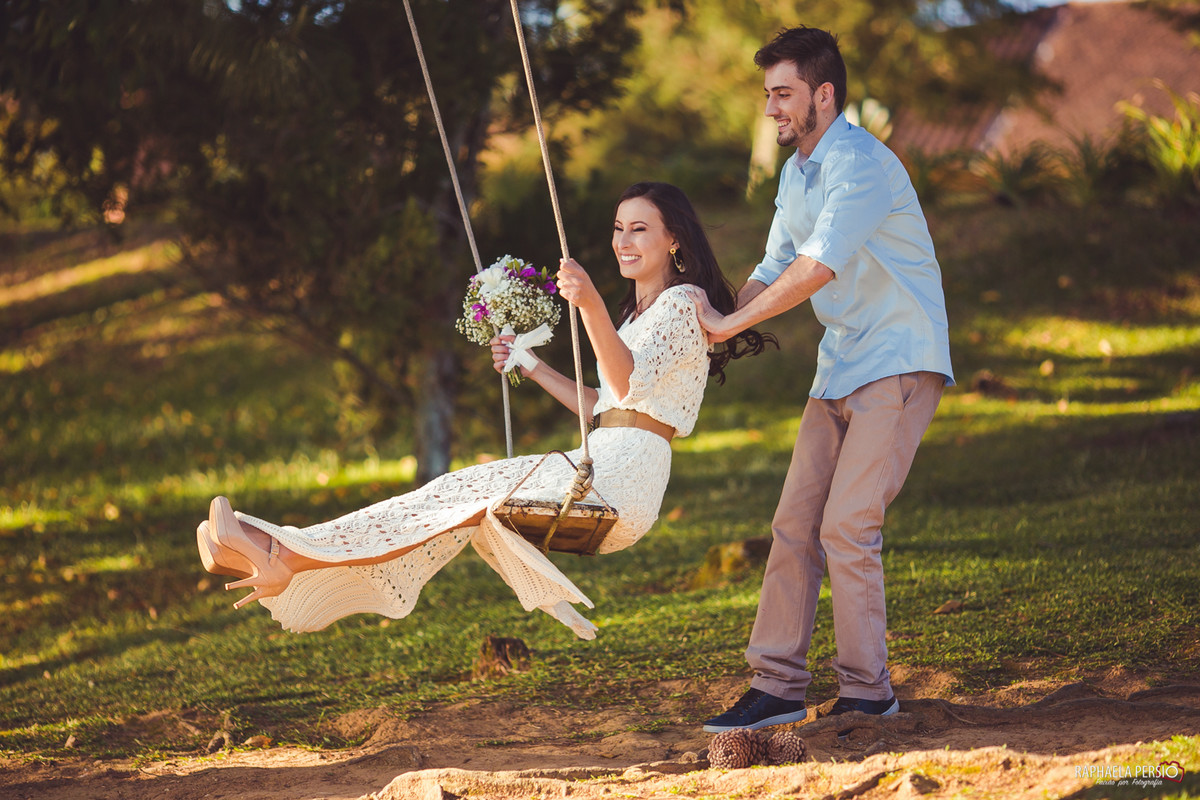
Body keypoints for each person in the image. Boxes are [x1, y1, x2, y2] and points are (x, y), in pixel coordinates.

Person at [196, 181, 773, 639]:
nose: (624, 240)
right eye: (618, 228)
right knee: (448, 499)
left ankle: (282, 552)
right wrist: (533, 365)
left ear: (674, 239)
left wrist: (590, 304)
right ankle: (283, 554)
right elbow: (607, 403)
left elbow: (624, 380)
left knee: (453, 496)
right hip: (599, 459)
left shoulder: (682, 300)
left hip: (622, 484)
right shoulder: (632, 316)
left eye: (640, 229)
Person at [691, 26, 954, 731]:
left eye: (784, 94)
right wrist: (716, 320)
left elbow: (817, 268)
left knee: (847, 525)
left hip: (898, 357)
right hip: (839, 362)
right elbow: (776, 266)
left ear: (824, 94)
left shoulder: (861, 165)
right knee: (794, 525)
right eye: (768, 95)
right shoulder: (796, 172)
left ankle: (870, 693)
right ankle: (777, 687)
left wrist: (724, 325)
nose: (771, 107)